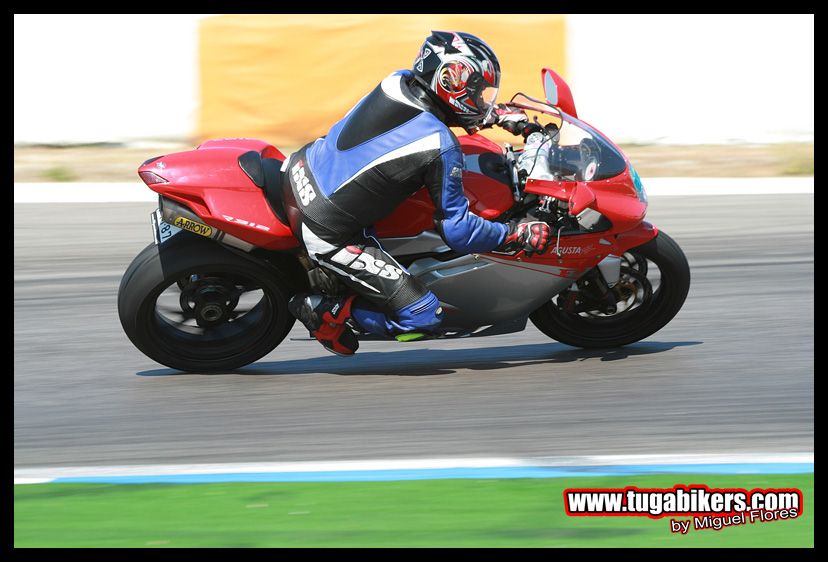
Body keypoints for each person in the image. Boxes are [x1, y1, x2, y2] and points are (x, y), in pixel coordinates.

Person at [282, 30, 551, 356]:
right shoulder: (440, 146)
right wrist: (513, 234)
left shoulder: (396, 83)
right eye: (478, 91)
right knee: (424, 315)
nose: (483, 99)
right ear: (452, 81)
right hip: (327, 227)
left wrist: (493, 116)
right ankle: (329, 311)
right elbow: (459, 232)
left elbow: (420, 123)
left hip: (302, 169)